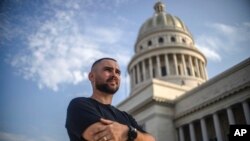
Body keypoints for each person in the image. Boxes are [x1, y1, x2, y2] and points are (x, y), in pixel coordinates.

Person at [66, 57, 155, 141]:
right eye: (108, 70)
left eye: (117, 72)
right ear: (92, 76)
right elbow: (102, 136)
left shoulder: (126, 117)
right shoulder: (79, 105)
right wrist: (135, 135)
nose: (114, 75)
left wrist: (128, 131)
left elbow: (151, 139)